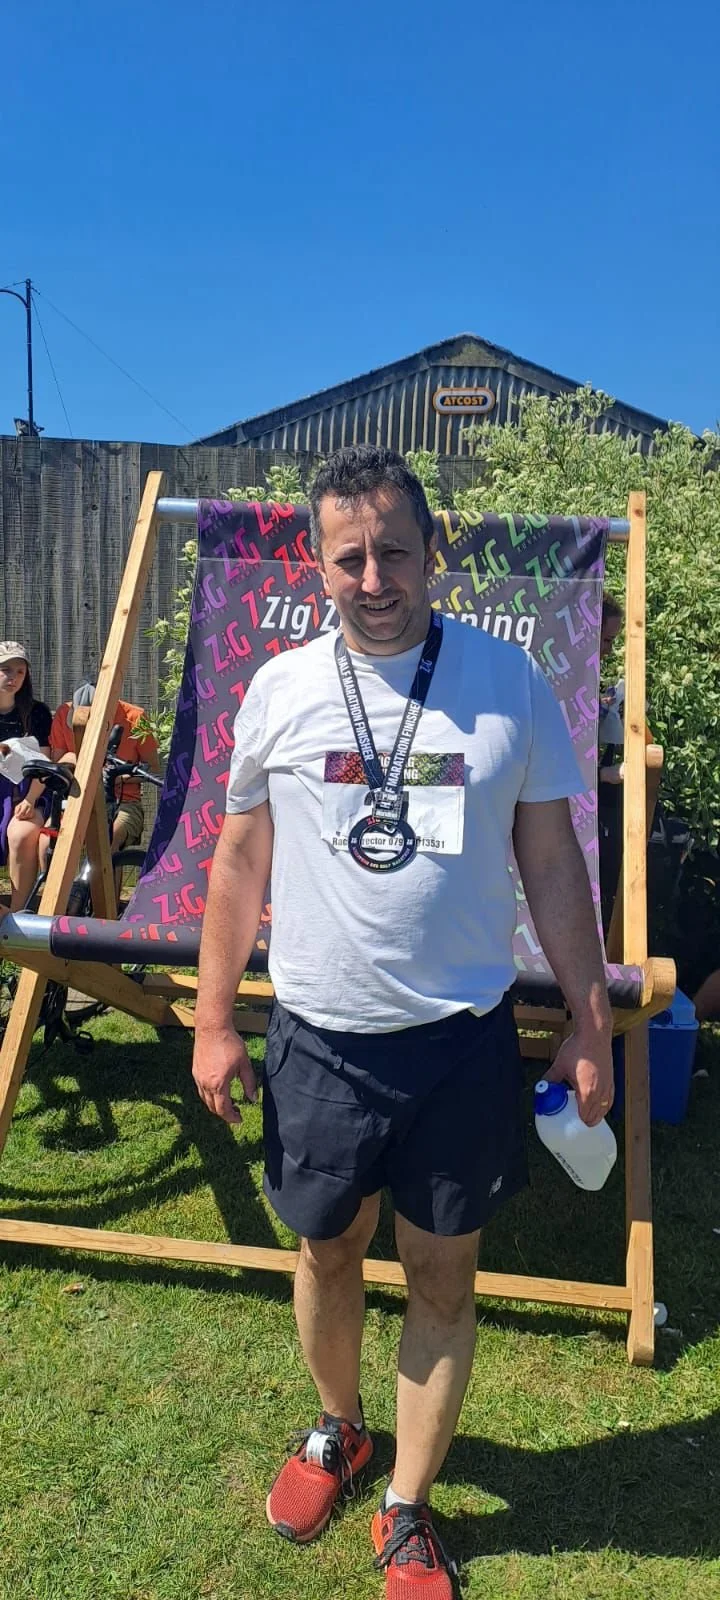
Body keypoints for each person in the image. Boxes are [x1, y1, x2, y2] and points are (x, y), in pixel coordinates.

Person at [191, 446, 614, 1598]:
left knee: (442, 1274)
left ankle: (408, 1502)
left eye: (394, 551)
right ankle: (339, 1426)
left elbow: (553, 863)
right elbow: (237, 860)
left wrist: (588, 1022)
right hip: (320, 1037)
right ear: (318, 563)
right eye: (349, 557)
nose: (373, 578)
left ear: (435, 553)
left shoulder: (508, 681)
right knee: (327, 1248)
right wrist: (215, 1020)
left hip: (458, 1042)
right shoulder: (279, 688)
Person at [48, 683, 160, 852]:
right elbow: (58, 764)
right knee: (46, 842)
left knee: (106, 841)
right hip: (77, 799)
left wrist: (115, 778)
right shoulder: (63, 713)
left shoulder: (136, 717)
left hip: (124, 801)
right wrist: (70, 761)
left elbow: (153, 768)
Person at [0, 641, 53, 911]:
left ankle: (18, 914)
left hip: (28, 790)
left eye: (20, 672)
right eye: (6, 670)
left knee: (22, 835)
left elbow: (43, 765)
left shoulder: (37, 713)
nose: (13, 677)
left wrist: (31, 800)